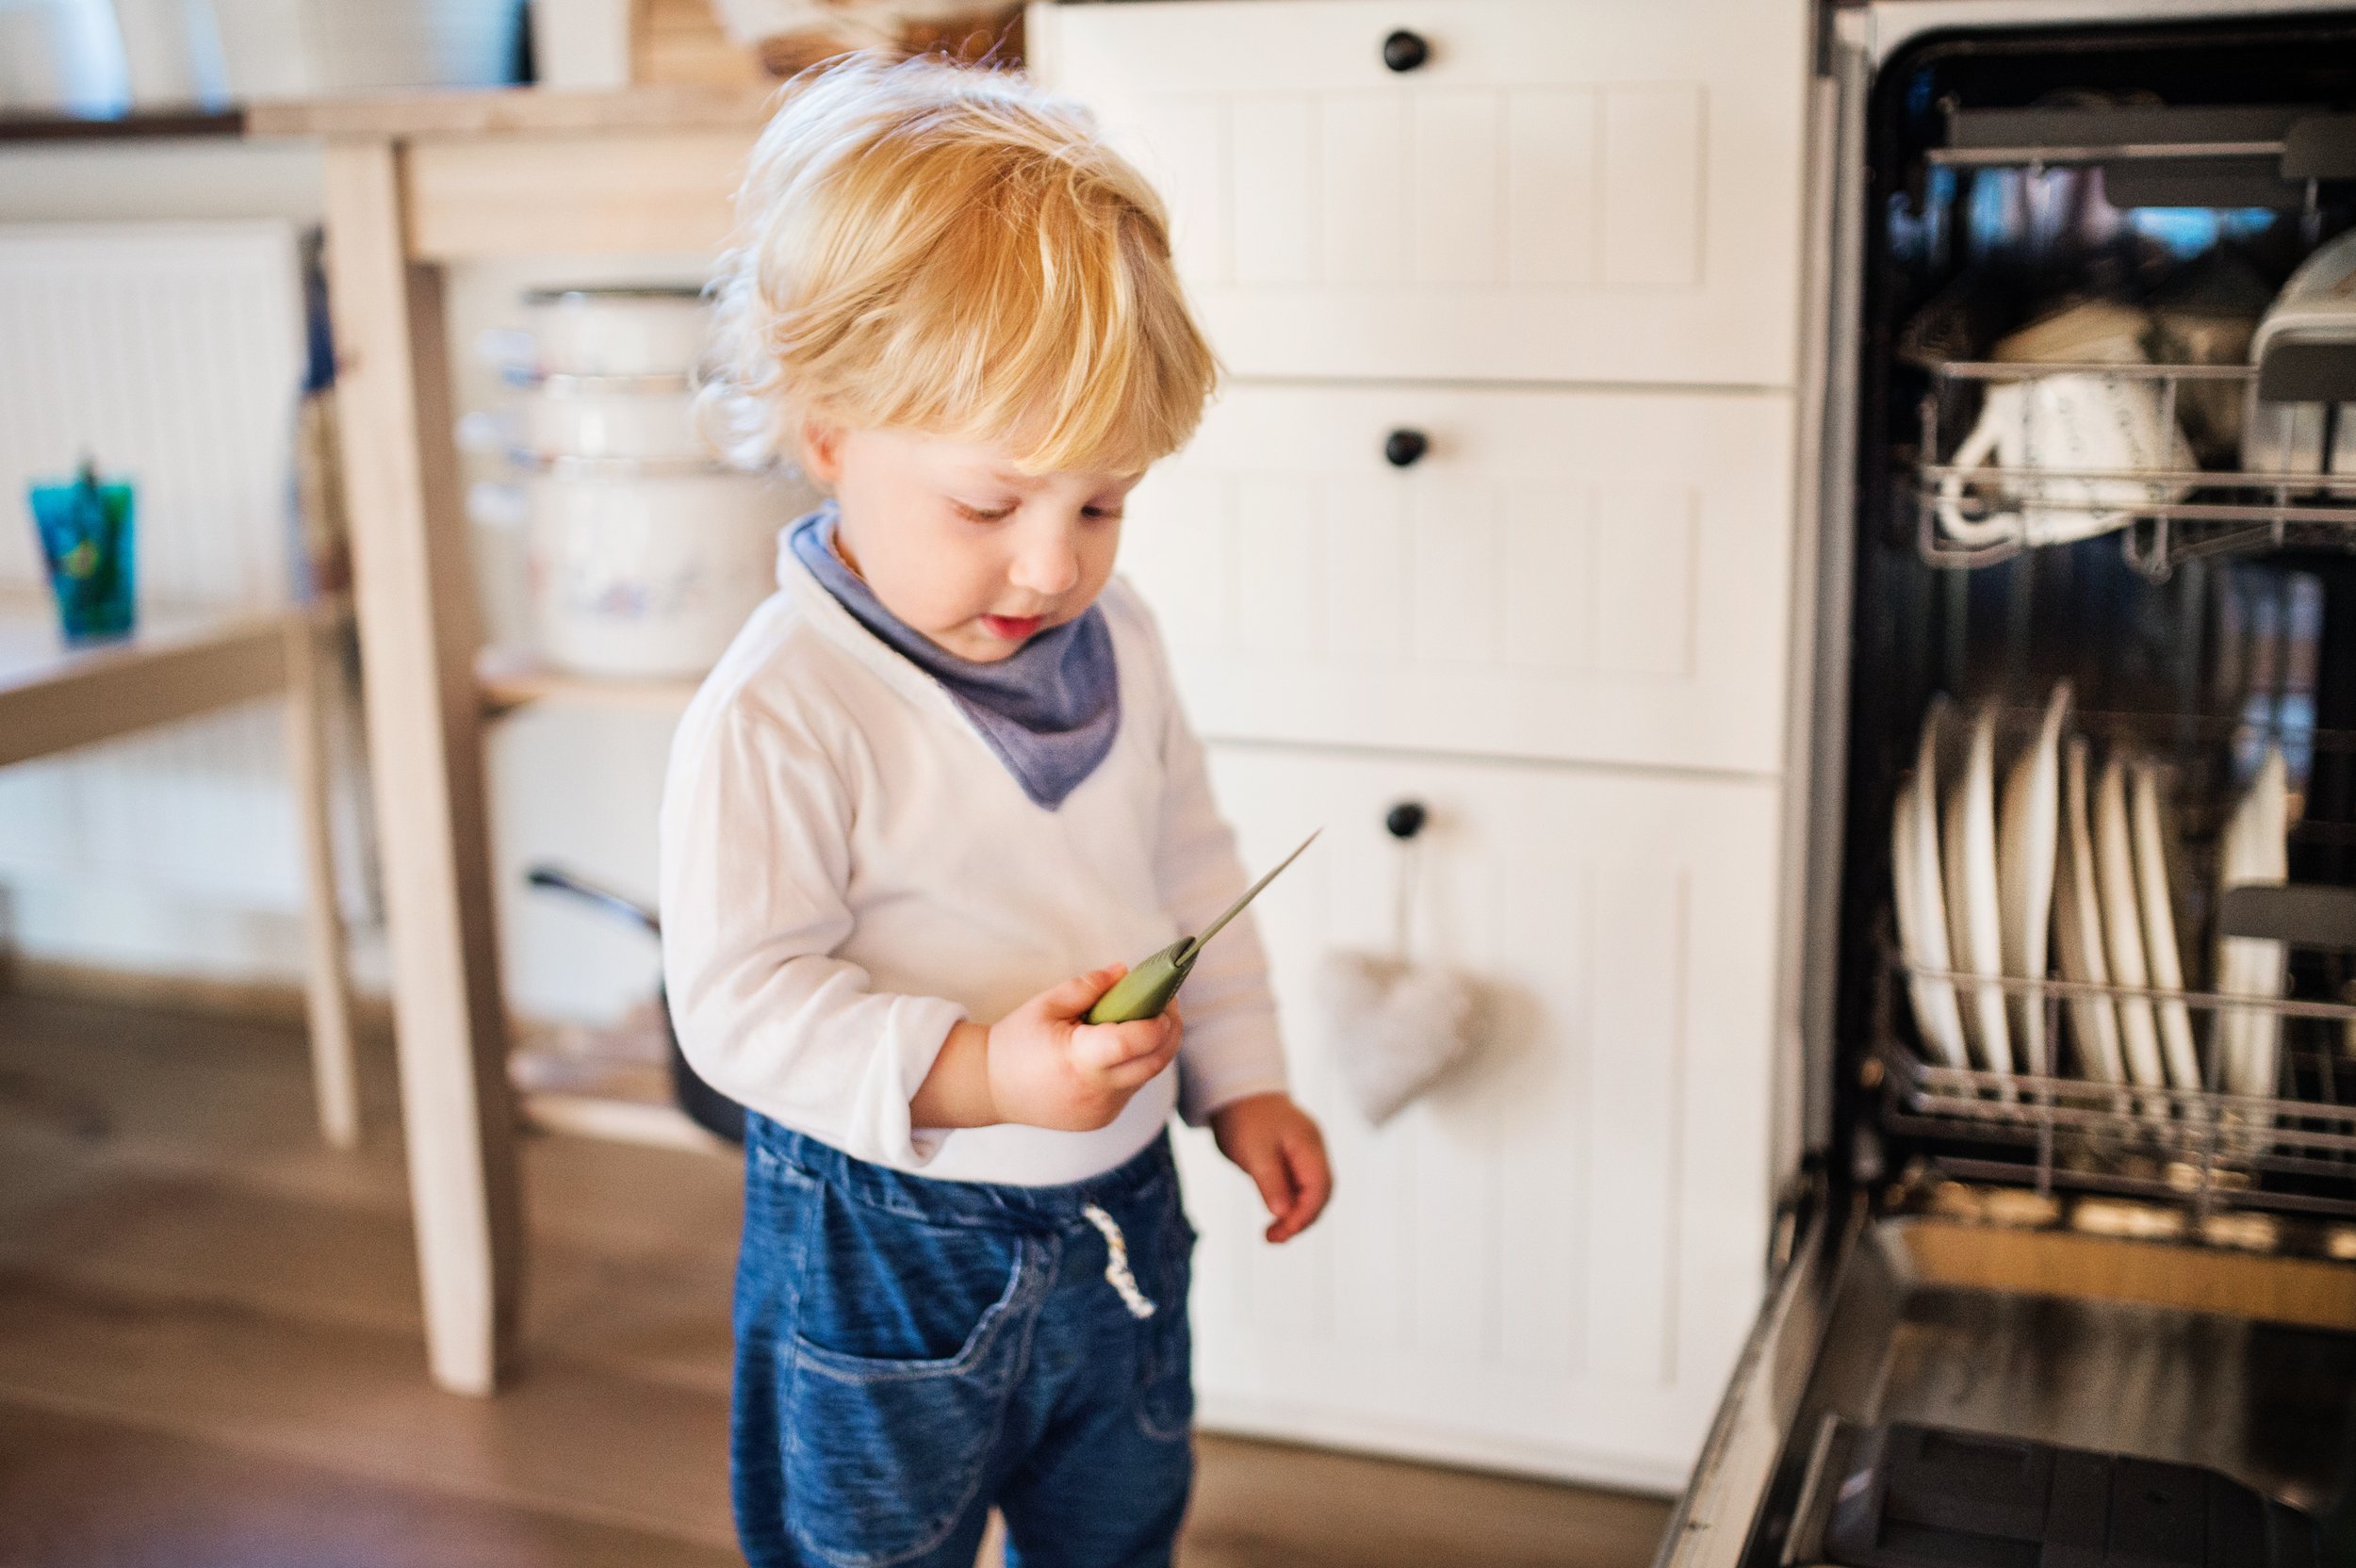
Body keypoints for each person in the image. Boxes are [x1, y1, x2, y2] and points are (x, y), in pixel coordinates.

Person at [661, 52, 1333, 1568]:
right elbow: (738, 1008)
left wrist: (1247, 1076)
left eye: (1102, 505)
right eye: (991, 505)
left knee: (1119, 1526)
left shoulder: (1120, 638)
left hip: (1120, 1222)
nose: (1051, 568)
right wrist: (978, 1074)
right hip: (885, 1253)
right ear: (829, 430)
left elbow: (1188, 863)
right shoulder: (782, 711)